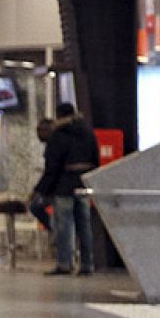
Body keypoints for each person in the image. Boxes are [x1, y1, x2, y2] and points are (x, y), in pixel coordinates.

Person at [37, 102, 99, 276]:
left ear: (59, 116)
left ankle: (65, 263)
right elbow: (96, 157)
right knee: (84, 225)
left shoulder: (59, 134)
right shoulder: (88, 131)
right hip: (83, 183)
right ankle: (88, 263)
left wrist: (43, 189)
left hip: (64, 184)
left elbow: (53, 164)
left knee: (64, 226)